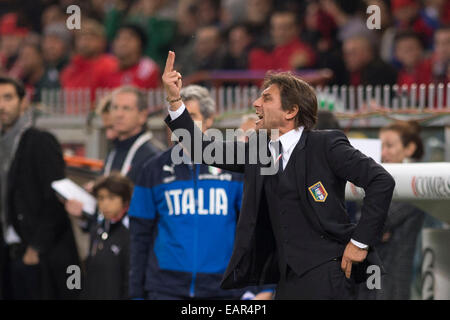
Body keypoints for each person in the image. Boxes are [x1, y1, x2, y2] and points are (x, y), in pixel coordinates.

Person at [163, 51, 395, 299]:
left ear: (290, 111)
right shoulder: (258, 150)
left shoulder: (326, 144)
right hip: (285, 280)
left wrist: (360, 243)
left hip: (330, 274)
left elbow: (381, 181)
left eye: (266, 98)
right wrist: (175, 101)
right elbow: (202, 149)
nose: (256, 104)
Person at [128, 84, 273, 300]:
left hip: (224, 289)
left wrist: (266, 287)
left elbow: (257, 228)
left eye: (190, 116)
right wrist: (136, 294)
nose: (179, 126)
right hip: (164, 288)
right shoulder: (152, 170)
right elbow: (139, 237)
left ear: (210, 119)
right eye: (173, 118)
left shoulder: (234, 167)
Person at [0, 76, 79, 299]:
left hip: (42, 257)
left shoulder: (40, 141)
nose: (1, 106)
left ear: (23, 102)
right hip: (11, 254)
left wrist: (36, 247)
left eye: (7, 98)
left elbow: (55, 196)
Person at [65, 85, 161, 219]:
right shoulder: (114, 152)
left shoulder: (152, 157)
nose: (119, 114)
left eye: (126, 108)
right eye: (115, 108)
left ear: (142, 115)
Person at [356, 121, 427, 300]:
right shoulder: (380, 179)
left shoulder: (417, 182)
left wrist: (370, 228)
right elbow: (367, 221)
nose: (383, 153)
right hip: (370, 271)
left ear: (409, 148)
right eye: (381, 146)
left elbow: (378, 220)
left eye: (389, 146)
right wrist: (372, 229)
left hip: (395, 276)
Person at [82, 173, 133, 300]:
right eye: (101, 198)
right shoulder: (97, 229)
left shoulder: (131, 233)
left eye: (111, 198)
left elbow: (130, 282)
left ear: (124, 200)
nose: (105, 204)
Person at [249, 11, 316, 71]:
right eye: (277, 28)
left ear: (297, 29)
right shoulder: (262, 52)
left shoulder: (301, 53)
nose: (280, 33)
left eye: (286, 28)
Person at [106, 23, 160, 89]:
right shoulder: (107, 67)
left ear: (140, 44)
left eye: (128, 39)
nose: (122, 43)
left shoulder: (147, 68)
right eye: (119, 38)